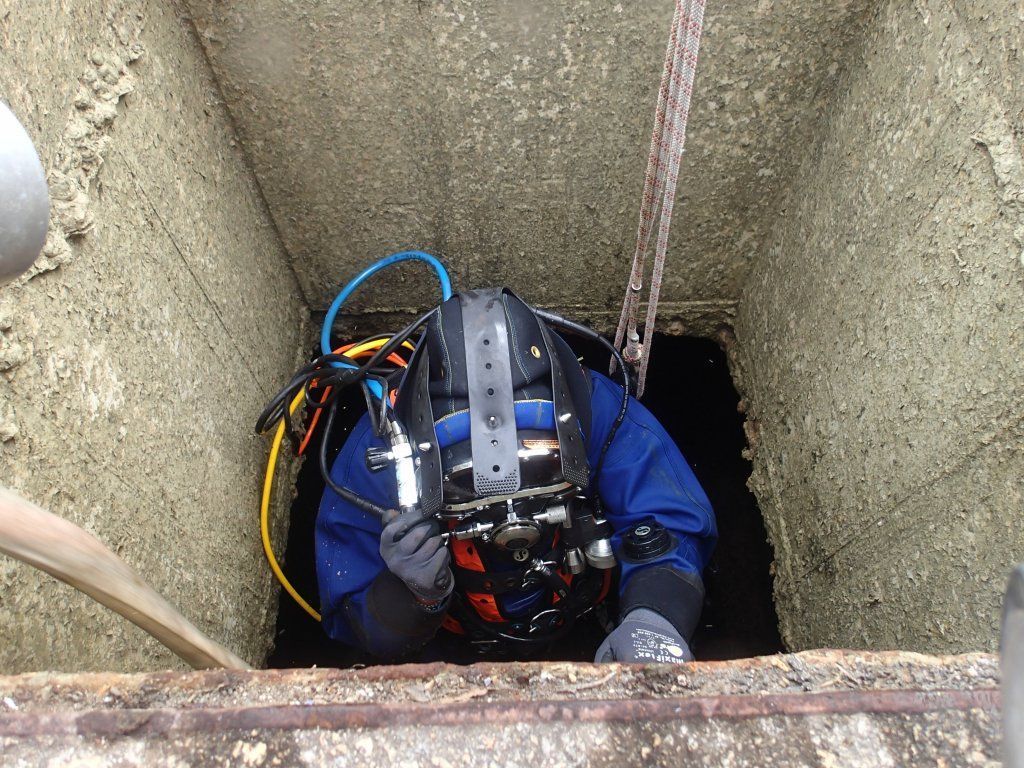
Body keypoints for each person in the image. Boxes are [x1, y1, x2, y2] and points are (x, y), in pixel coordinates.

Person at [315, 288, 717, 663]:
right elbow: (348, 615)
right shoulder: (381, 451)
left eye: (539, 456)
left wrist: (655, 619)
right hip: (455, 639)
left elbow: (667, 518)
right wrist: (412, 597)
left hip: (585, 611)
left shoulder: (593, 410)